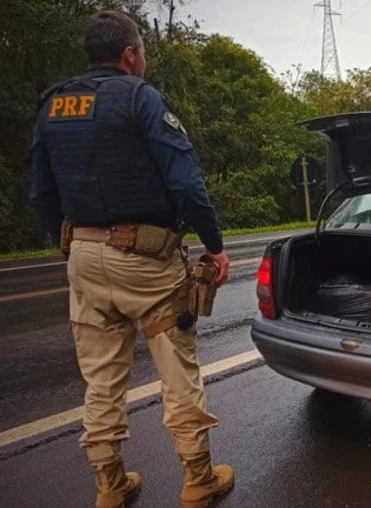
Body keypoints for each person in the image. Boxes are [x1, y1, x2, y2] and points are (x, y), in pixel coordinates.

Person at [29, 10, 234, 508]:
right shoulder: (141, 98)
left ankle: (110, 486)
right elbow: (186, 183)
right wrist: (215, 244)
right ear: (129, 54)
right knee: (177, 368)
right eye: (141, 52)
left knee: (100, 381)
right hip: (146, 262)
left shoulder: (54, 105)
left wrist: (73, 247)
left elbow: (41, 193)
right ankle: (198, 477)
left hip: (82, 254)